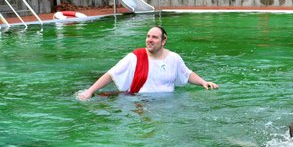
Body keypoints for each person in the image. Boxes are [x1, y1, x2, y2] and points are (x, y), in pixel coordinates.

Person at [77, 26, 219, 100]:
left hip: (169, 105)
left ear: (163, 41)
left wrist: (203, 82)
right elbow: (111, 74)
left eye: (154, 37)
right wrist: (90, 91)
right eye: (148, 36)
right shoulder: (135, 57)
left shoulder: (174, 58)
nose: (149, 40)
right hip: (141, 104)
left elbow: (187, 74)